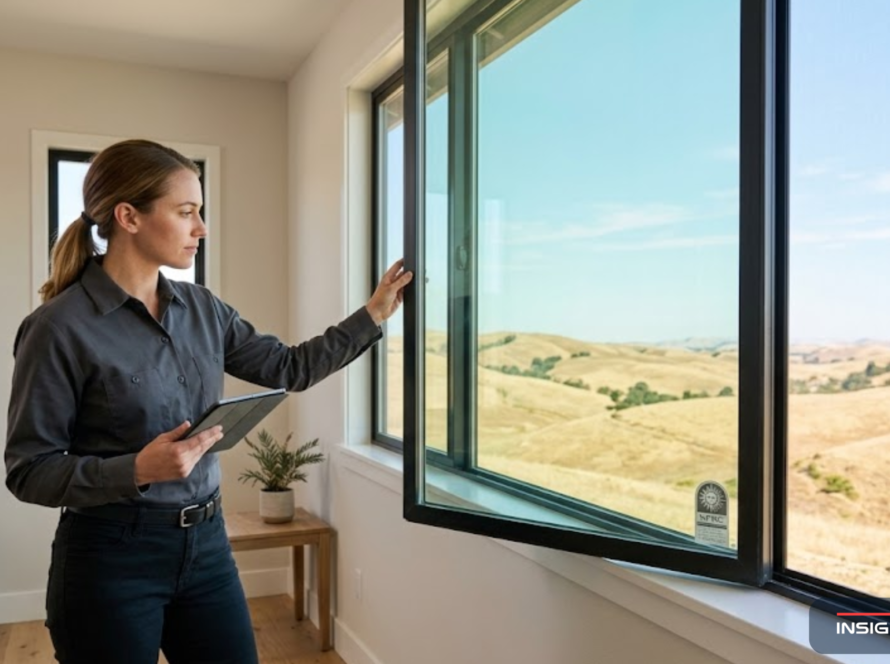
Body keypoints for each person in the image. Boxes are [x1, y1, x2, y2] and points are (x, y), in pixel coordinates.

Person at [4, 139, 412, 664]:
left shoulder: (202, 308)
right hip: (109, 559)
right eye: (187, 212)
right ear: (129, 216)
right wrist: (136, 469)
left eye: (201, 212)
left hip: (208, 549)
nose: (202, 228)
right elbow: (28, 470)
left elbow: (290, 368)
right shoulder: (57, 329)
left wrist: (373, 314)